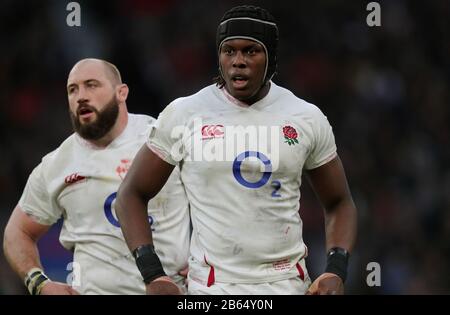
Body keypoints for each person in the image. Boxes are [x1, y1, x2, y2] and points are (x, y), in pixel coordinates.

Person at [116, 5, 357, 295]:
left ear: (270, 57)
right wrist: (153, 274)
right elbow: (131, 194)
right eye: (228, 51)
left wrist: (336, 269)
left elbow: (339, 202)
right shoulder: (185, 114)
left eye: (250, 51)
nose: (238, 61)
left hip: (286, 286)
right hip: (211, 289)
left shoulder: (305, 117)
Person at [2, 59, 190, 295]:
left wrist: (208, 257)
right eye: (73, 89)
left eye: (92, 85)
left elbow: (214, 199)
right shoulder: (56, 164)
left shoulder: (161, 141)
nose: (81, 96)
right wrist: (39, 283)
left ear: (121, 93)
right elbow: (16, 232)